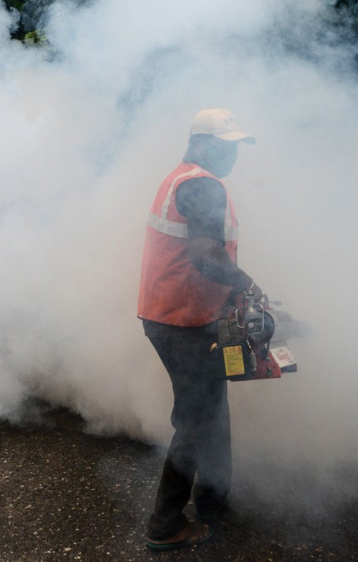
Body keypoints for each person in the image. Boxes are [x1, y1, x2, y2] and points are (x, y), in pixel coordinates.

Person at [137, 108, 263, 551]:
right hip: (181, 322)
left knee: (212, 410)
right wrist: (247, 284)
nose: (233, 157)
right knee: (195, 420)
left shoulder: (182, 177)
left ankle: (214, 498)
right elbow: (207, 257)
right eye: (227, 147)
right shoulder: (200, 184)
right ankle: (165, 525)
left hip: (182, 316)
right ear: (204, 143)